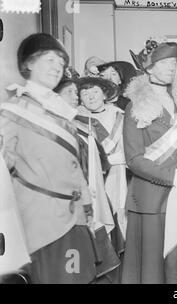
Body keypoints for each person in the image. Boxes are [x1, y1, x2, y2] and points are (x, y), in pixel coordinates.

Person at [0, 33, 97, 283]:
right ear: (29, 64)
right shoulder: (12, 112)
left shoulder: (61, 112)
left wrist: (87, 207)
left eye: (61, 63)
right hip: (40, 223)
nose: (57, 68)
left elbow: (75, 168)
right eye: (50, 60)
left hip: (73, 217)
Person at [122, 40, 177, 283]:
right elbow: (134, 159)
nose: (173, 66)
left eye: (175, 62)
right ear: (149, 68)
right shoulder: (135, 107)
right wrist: (171, 177)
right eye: (166, 62)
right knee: (154, 271)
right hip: (153, 198)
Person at [53, 77, 121, 283]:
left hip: (115, 181)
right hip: (80, 191)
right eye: (79, 93)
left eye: (94, 92)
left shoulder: (119, 116)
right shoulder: (72, 121)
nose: (80, 97)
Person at [76, 77, 127, 256]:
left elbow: (130, 148)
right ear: (80, 98)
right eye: (85, 93)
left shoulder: (119, 115)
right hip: (90, 177)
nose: (90, 97)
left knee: (117, 214)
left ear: (105, 95)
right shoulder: (75, 117)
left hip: (116, 174)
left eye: (95, 92)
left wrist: (115, 159)